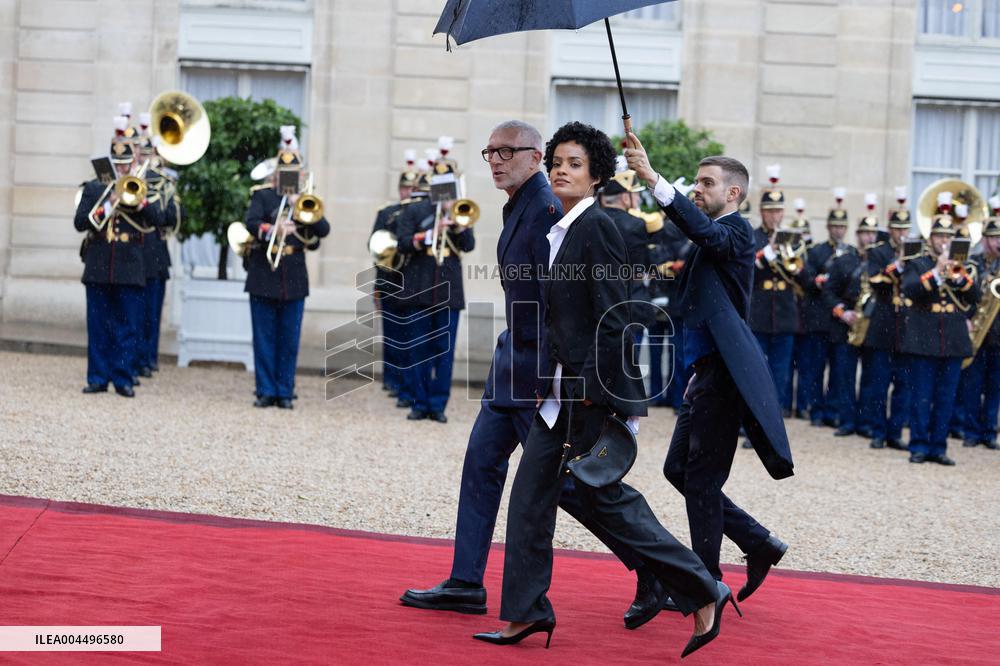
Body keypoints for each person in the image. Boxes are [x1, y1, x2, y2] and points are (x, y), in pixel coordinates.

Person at [475, 123, 733, 658]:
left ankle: (703, 589)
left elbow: (616, 315)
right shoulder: (561, 229)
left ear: (595, 176)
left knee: (609, 502)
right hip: (554, 392)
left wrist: (600, 390)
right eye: (557, 162)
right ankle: (526, 613)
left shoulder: (599, 226)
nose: (561, 170)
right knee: (529, 502)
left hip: (587, 393)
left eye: (574, 163)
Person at [402, 120, 658, 631]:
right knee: (481, 464)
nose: (495, 160)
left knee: (573, 489)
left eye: (506, 151)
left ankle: (661, 569)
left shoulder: (546, 208)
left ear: (535, 156)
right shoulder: (520, 203)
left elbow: (561, 305)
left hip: (539, 372)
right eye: (490, 151)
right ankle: (466, 582)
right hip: (512, 363)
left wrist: (557, 377)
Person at [625, 135, 792, 605]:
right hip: (704, 371)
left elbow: (705, 233)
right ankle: (757, 541)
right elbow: (693, 243)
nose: (697, 189)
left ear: (733, 193)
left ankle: (705, 583)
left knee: (698, 479)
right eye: (696, 182)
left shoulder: (737, 231)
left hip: (723, 376)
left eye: (706, 183)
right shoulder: (711, 234)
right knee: (679, 469)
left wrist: (654, 178)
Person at [74, 116, 164, 397]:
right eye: (118, 164)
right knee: (99, 324)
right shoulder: (94, 189)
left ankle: (123, 378)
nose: (122, 169)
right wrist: (110, 201)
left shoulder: (143, 188)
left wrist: (140, 201)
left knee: (128, 325)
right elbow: (80, 223)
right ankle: (98, 377)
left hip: (131, 263)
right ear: (111, 163)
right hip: (100, 260)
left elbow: (159, 219)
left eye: (126, 165)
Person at [243, 126, 330, 408]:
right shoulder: (263, 196)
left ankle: (285, 390)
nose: (288, 177)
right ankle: (266, 390)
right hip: (264, 273)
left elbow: (323, 229)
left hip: (293, 275)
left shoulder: (306, 200)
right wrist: (274, 228)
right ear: (276, 172)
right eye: (284, 172)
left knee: (289, 339)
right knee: (265, 337)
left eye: (294, 172)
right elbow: (251, 223)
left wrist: (298, 206)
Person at [392, 148, 475, 423]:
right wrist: (430, 234)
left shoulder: (460, 211)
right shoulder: (415, 209)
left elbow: (469, 245)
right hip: (418, 287)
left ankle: (438, 404)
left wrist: (458, 225)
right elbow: (403, 242)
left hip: (449, 291)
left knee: (444, 351)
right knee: (418, 350)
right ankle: (419, 402)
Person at [899, 211, 978, 464]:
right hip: (924, 337)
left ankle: (939, 447)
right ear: (930, 237)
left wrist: (959, 275)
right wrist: (936, 272)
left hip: (952, 338)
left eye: (947, 236)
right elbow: (910, 290)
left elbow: (974, 296)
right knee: (922, 396)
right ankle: (919, 446)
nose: (943, 240)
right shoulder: (918, 263)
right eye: (939, 235)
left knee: (946, 398)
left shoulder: (962, 264)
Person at [748, 166, 809, 417]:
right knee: (756, 374)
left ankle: (774, 424)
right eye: (770, 211)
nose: (774, 216)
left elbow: (808, 280)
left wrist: (795, 267)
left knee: (780, 374)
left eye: (778, 211)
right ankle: (751, 423)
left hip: (785, 317)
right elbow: (747, 272)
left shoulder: (793, 240)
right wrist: (768, 253)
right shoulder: (752, 237)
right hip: (759, 315)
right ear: (762, 212)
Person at [823, 197, 882, 437]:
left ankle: (865, 422)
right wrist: (841, 311)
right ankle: (846, 420)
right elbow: (828, 291)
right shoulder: (845, 260)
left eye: (872, 233)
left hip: (872, 327)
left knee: (870, 377)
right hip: (846, 325)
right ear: (857, 235)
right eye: (864, 233)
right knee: (844, 376)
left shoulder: (881, 262)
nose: (868, 237)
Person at [370, 151, 419, 401]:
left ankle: (406, 384)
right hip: (390, 280)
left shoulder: (420, 213)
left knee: (410, 337)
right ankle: (392, 379)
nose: (408, 192)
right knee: (392, 335)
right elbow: (376, 246)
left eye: (412, 188)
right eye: (405, 188)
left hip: (413, 280)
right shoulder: (387, 213)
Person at [961, 205, 1000, 450]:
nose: (998, 243)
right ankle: (971, 431)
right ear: (985, 239)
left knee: (995, 388)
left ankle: (989, 432)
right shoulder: (973, 264)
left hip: (998, 334)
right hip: (977, 333)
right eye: (995, 238)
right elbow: (962, 296)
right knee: (972, 386)